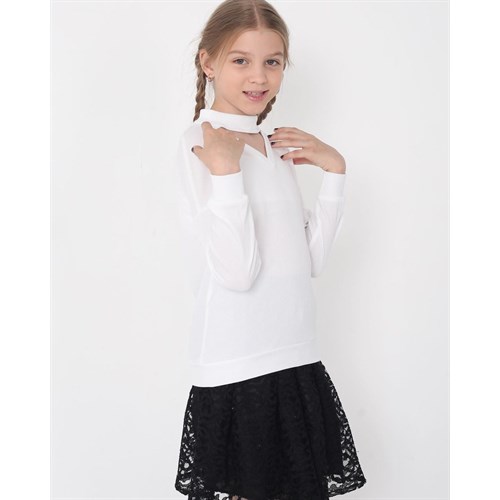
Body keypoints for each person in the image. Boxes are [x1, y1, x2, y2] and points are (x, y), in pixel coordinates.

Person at [173, 1, 367, 498]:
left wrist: (335, 173)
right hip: (240, 364)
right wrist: (226, 173)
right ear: (208, 62)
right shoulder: (201, 143)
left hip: (295, 355)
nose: (259, 76)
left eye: (272, 61)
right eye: (240, 60)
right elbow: (237, 273)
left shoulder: (273, 145)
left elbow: (310, 262)